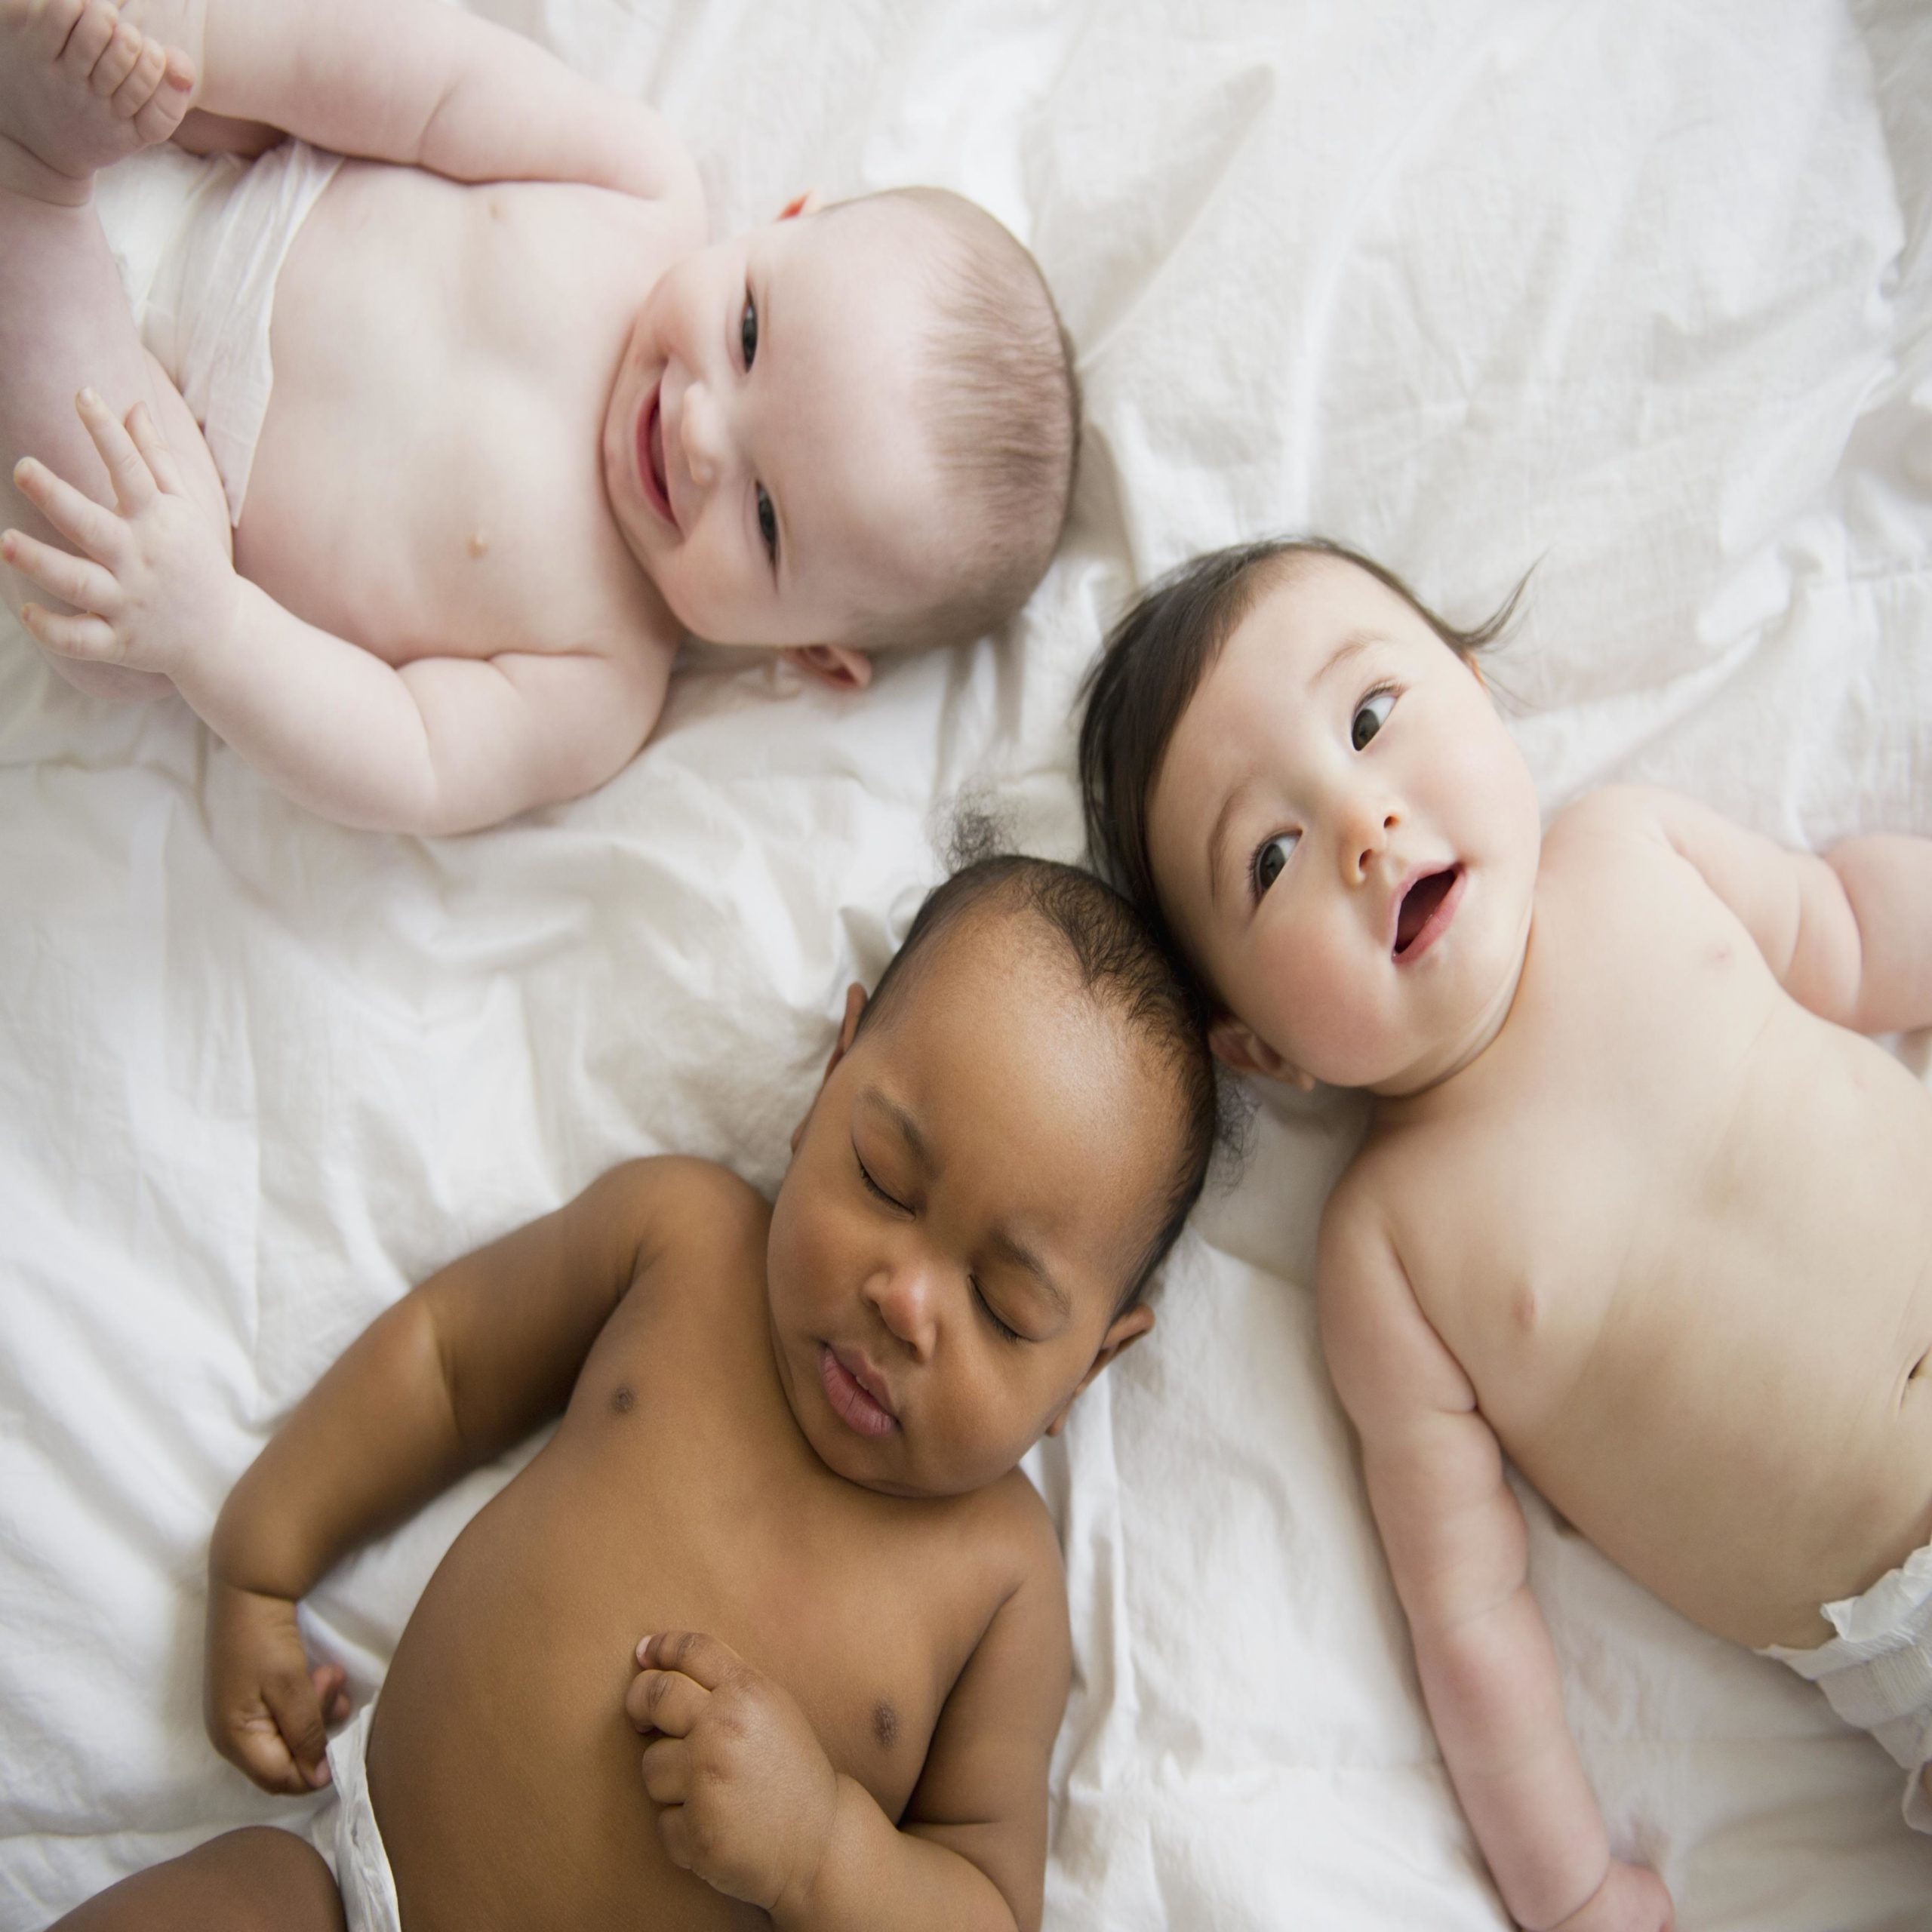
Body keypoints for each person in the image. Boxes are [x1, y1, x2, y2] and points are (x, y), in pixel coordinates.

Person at [48, 851, 1216, 1931]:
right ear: (829, 1075)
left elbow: (987, 1909)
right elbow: (447, 1363)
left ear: (1092, 1367)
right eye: (882, 1177)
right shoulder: (684, 1243)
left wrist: (822, 1852)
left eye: (1005, 1307)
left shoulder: (1001, 1579)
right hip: (354, 1893)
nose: (904, 1301)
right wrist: (261, 1558)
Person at [1078, 535, 1932, 1932]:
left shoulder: (1634, 851)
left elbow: (1848, 929)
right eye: (1272, 856)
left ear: (1477, 691)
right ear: (1263, 1053)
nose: (1364, 825)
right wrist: (1569, 1885)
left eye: (1370, 720)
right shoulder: (1393, 1252)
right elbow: (1471, 1620)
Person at [0, 0, 1079, 834]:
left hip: (162, 460)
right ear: (780, 224)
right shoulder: (636, 190)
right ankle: (94, 76)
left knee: (119, 633)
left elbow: (405, 755)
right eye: (750, 333)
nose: (703, 433)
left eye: (765, 518)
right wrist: (202, 43)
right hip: (219, 173)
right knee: (244, 72)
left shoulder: (599, 686)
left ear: (811, 652)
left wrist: (212, 630)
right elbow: (421, 83)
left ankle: (34, 192)